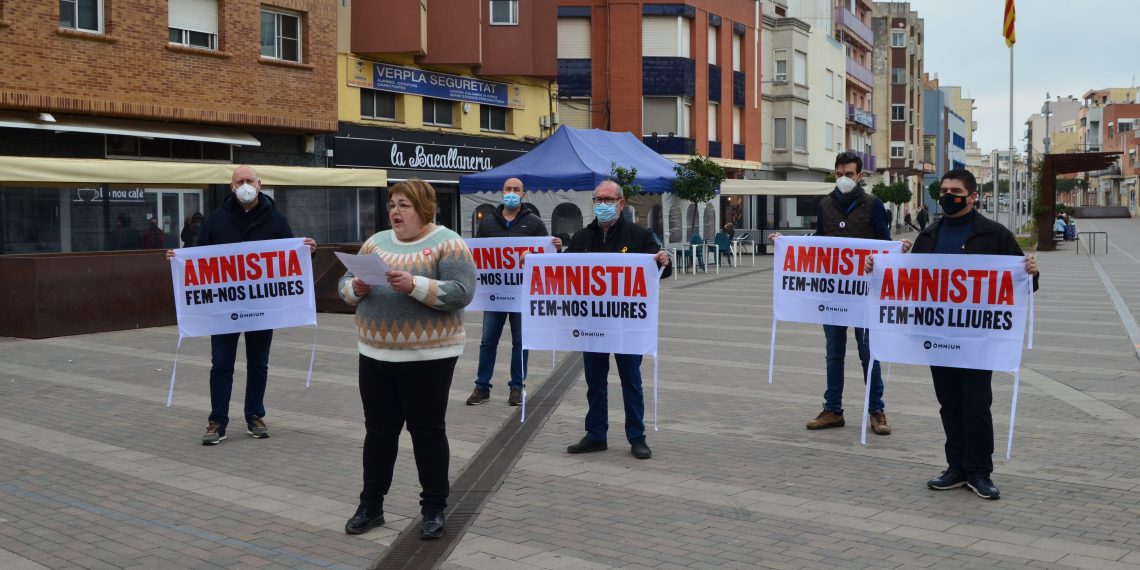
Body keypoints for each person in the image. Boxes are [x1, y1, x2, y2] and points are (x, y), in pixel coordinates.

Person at [867, 169, 1038, 500]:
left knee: (976, 404)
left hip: (978, 340)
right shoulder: (929, 236)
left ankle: (979, 472)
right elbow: (909, 283)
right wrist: (880, 271)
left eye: (955, 191)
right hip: (938, 338)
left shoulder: (995, 235)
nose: (948, 196)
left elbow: (1021, 285)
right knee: (949, 404)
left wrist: (1031, 273)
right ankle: (956, 468)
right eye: (944, 190)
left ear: (971, 196)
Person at [339, 180, 476, 540]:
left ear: (424, 208)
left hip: (428, 358)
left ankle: (433, 509)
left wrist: (415, 285)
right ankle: (371, 506)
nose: (395, 212)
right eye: (392, 205)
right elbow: (345, 283)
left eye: (404, 205)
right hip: (374, 355)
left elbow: (462, 292)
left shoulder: (449, 243)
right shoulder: (375, 243)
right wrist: (355, 288)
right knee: (378, 434)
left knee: (427, 433)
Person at [165, 165, 317, 445]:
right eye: (239, 181)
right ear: (231, 187)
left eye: (249, 180)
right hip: (225, 309)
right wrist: (179, 259)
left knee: (259, 364)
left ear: (259, 184)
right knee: (221, 364)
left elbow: (290, 258)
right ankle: (217, 422)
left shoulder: (276, 219)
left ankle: (255, 416)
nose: (245, 185)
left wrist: (308, 252)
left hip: (262, 307)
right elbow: (199, 255)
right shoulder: (216, 219)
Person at [767, 151, 909, 436]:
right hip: (834, 293)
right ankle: (833, 409)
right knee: (834, 353)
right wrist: (787, 244)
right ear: (835, 174)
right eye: (840, 173)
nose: (844, 178)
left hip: (865, 293)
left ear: (860, 176)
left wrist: (898, 249)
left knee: (869, 354)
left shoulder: (873, 205)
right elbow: (819, 242)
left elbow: (885, 245)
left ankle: (876, 410)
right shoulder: (825, 205)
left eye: (850, 174)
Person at [565, 180, 671, 460]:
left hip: (627, 326)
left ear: (621, 204)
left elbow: (663, 270)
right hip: (593, 324)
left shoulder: (639, 235)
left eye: (608, 200)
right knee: (595, 382)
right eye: (598, 199)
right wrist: (536, 260)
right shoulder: (581, 238)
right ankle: (596, 434)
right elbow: (561, 271)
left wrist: (664, 260)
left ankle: (637, 437)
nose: (602, 204)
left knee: (631, 382)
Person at [466, 177, 561, 407]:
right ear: (501, 193)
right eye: (508, 189)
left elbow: (546, 258)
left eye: (516, 189)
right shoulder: (488, 222)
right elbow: (476, 255)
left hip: (521, 295)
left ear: (523, 195)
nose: (511, 192)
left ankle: (517, 387)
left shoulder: (535, 223)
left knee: (521, 342)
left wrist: (555, 248)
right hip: (494, 294)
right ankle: (482, 387)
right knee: (487, 341)